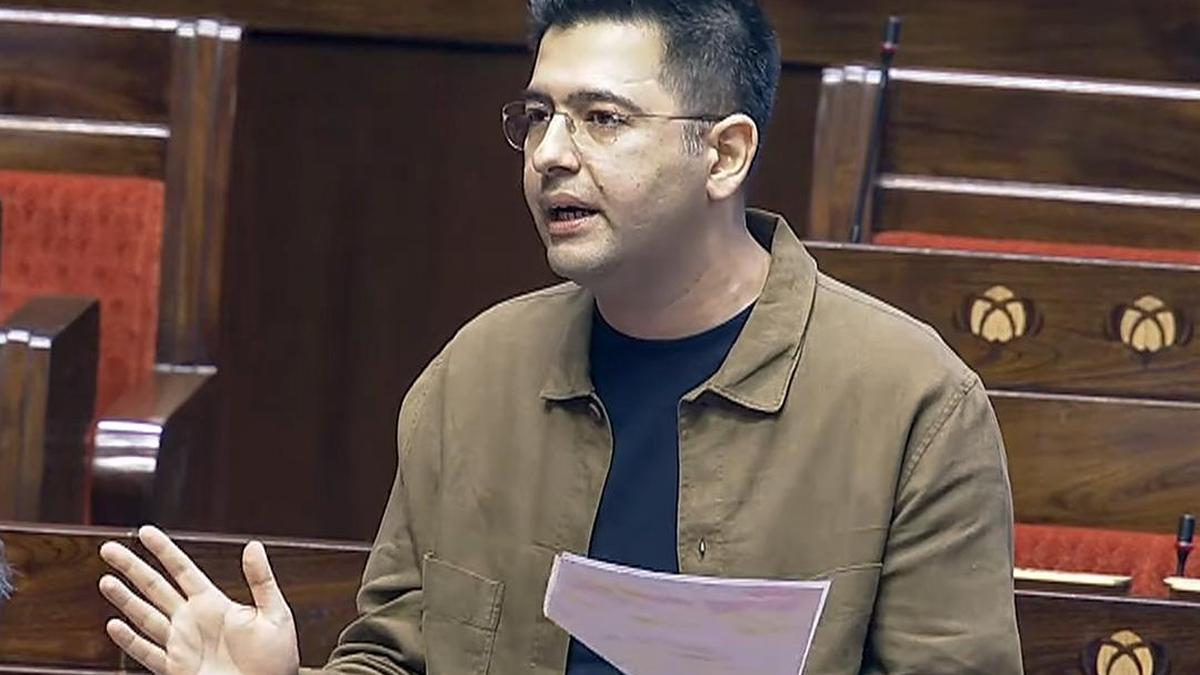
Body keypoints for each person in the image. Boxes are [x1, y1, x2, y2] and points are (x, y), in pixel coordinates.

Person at [97, 0, 1024, 673]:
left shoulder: (912, 405)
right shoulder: (475, 375)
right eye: (538, 115)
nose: (548, 153)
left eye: (602, 119)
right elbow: (399, 655)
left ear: (725, 154)